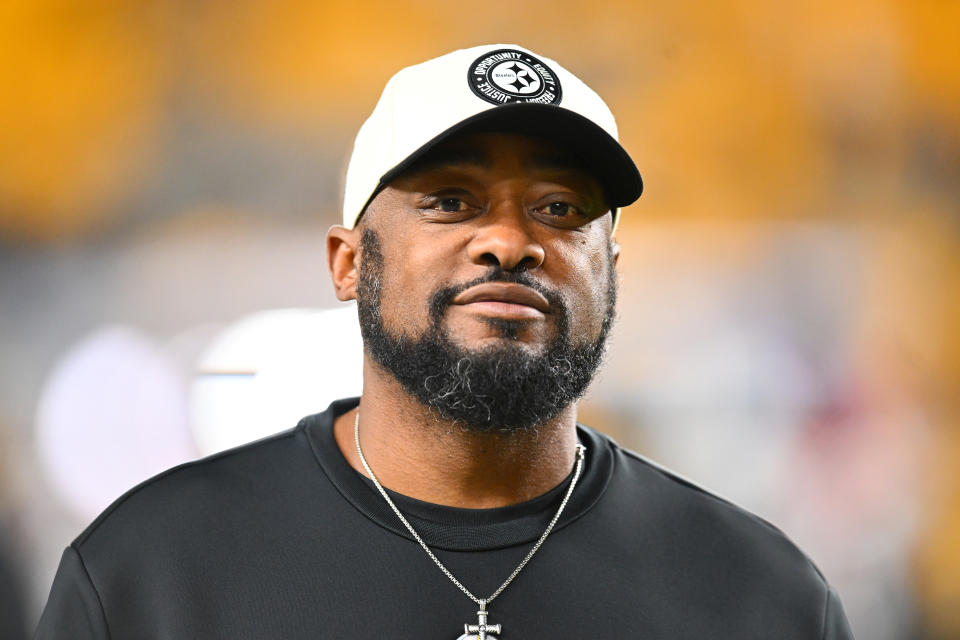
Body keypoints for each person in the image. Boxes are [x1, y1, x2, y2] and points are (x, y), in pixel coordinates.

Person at [35, 44, 855, 639]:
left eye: (561, 208)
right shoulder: (150, 576)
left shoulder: (762, 595)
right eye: (452, 201)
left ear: (610, 270)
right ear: (349, 263)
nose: (509, 241)